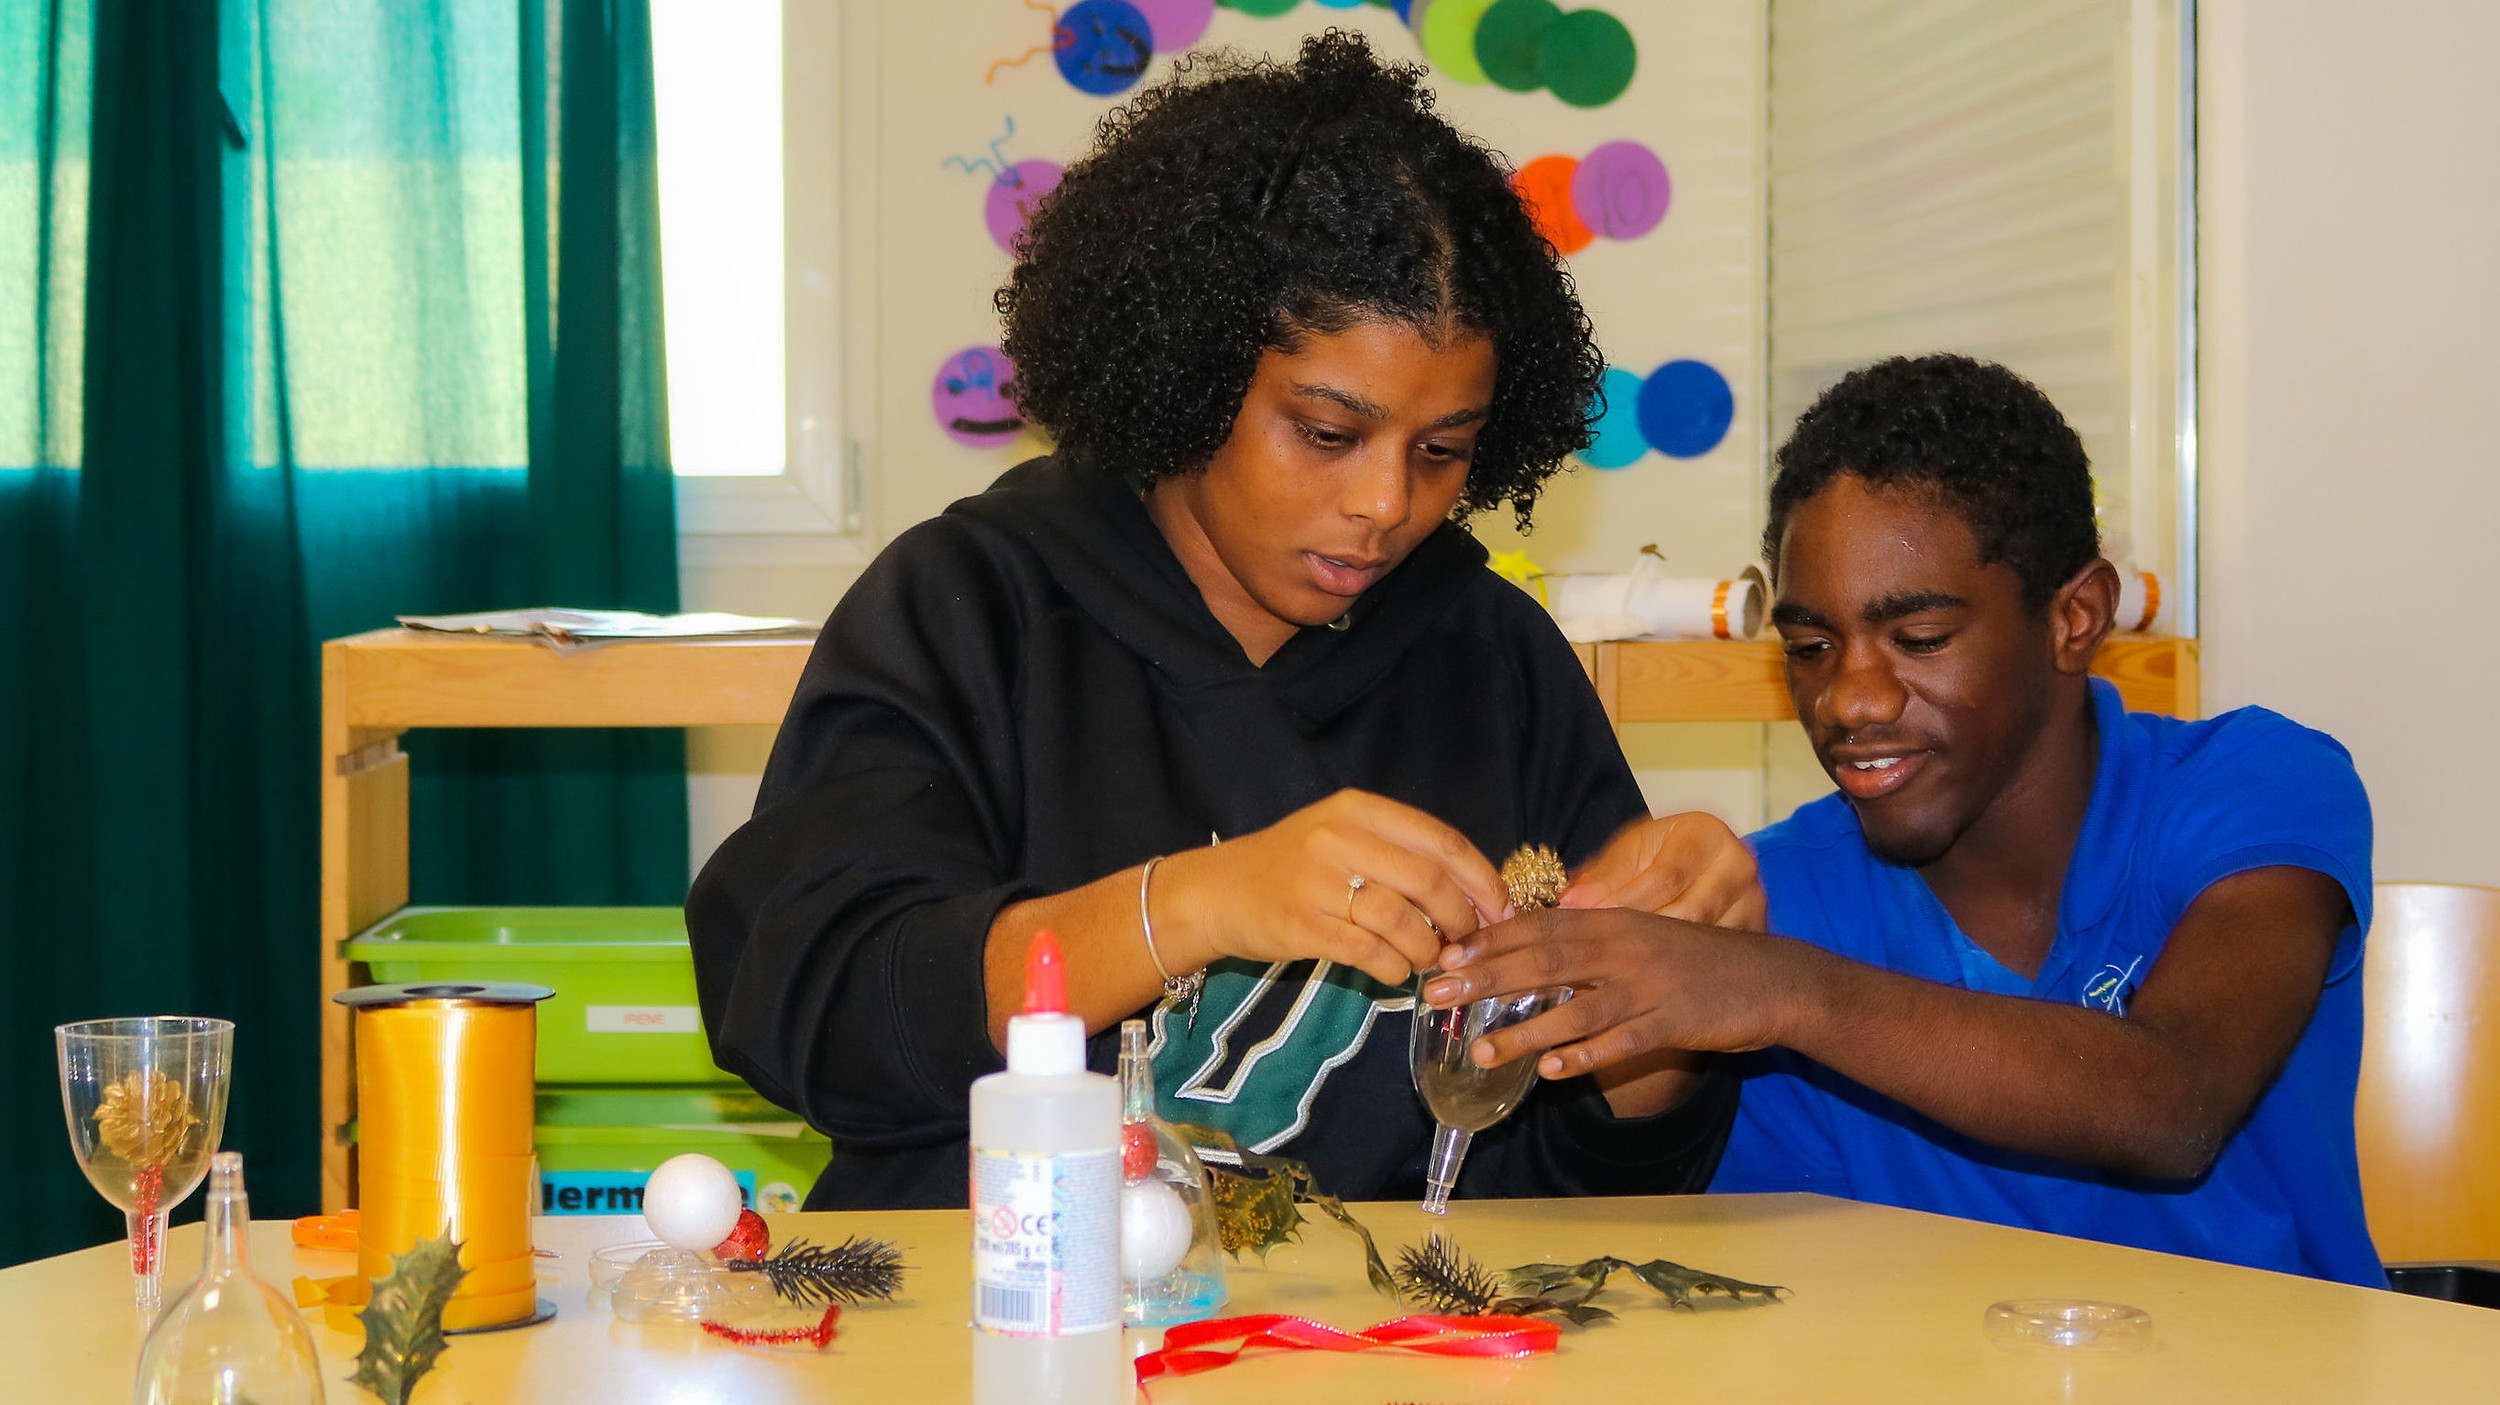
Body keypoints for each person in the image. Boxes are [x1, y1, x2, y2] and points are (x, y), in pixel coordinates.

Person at [685, 32, 1760, 1211]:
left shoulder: (1491, 657)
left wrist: (1663, 1014)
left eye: (1442, 451)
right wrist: (1189, 906)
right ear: (1190, 373)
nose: (1384, 504)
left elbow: (1593, 1166)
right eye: (1327, 432)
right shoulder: (972, 606)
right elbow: (820, 1008)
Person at [1422, 354, 2382, 1284]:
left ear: (2075, 617)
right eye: (1810, 645)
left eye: (1918, 639)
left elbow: (2174, 1104)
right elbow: (1651, 1226)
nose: (1851, 699)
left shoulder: (2253, 787)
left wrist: (1790, 993)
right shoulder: (1775, 902)